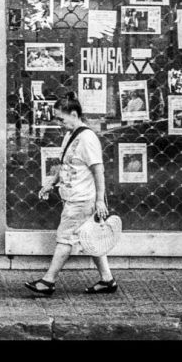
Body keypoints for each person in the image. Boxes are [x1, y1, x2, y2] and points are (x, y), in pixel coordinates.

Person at [24, 95, 117, 296]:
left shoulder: (87, 138)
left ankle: (48, 281)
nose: (59, 123)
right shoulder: (70, 134)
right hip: (73, 196)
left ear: (74, 114)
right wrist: (51, 182)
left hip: (81, 199)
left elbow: (98, 170)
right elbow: (64, 164)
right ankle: (107, 280)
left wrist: (100, 199)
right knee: (91, 237)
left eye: (61, 119)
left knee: (65, 239)